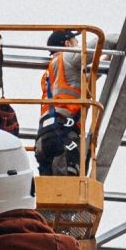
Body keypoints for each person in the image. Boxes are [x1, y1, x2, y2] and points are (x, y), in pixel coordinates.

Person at [35, 28, 86, 177]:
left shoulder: (50, 72)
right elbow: (102, 42)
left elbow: (89, 78)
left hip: (44, 137)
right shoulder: (68, 56)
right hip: (64, 134)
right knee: (68, 188)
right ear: (68, 44)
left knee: (48, 193)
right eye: (76, 42)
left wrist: (108, 59)